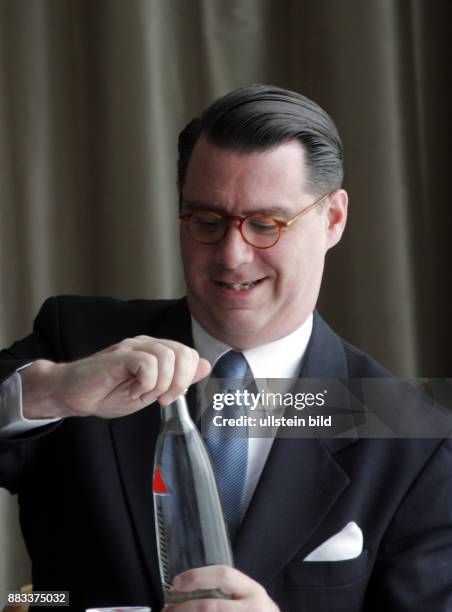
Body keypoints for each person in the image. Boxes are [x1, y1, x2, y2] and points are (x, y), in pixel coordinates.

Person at [0, 84, 451, 612]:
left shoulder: (413, 434)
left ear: (333, 220)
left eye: (266, 224)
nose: (233, 256)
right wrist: (52, 390)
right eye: (207, 222)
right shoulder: (76, 339)